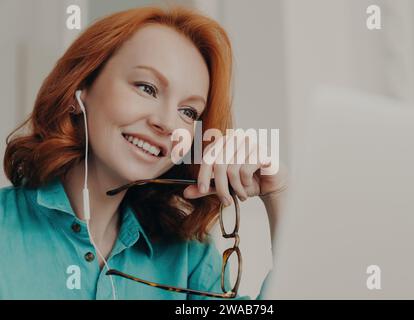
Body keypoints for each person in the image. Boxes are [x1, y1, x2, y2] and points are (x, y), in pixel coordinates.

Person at [0, 5, 288, 299]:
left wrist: (277, 195)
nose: (165, 123)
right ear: (79, 90)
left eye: (188, 112)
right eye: (147, 88)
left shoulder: (188, 259)